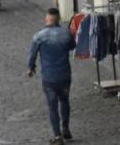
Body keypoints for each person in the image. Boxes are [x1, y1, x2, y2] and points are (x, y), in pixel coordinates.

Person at [27, 8, 77, 144]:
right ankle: (66, 129)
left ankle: (57, 136)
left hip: (49, 77)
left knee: (52, 106)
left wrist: (31, 68)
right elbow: (73, 46)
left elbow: (32, 55)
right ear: (58, 19)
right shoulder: (67, 33)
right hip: (65, 74)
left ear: (46, 19)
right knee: (65, 101)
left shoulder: (39, 36)